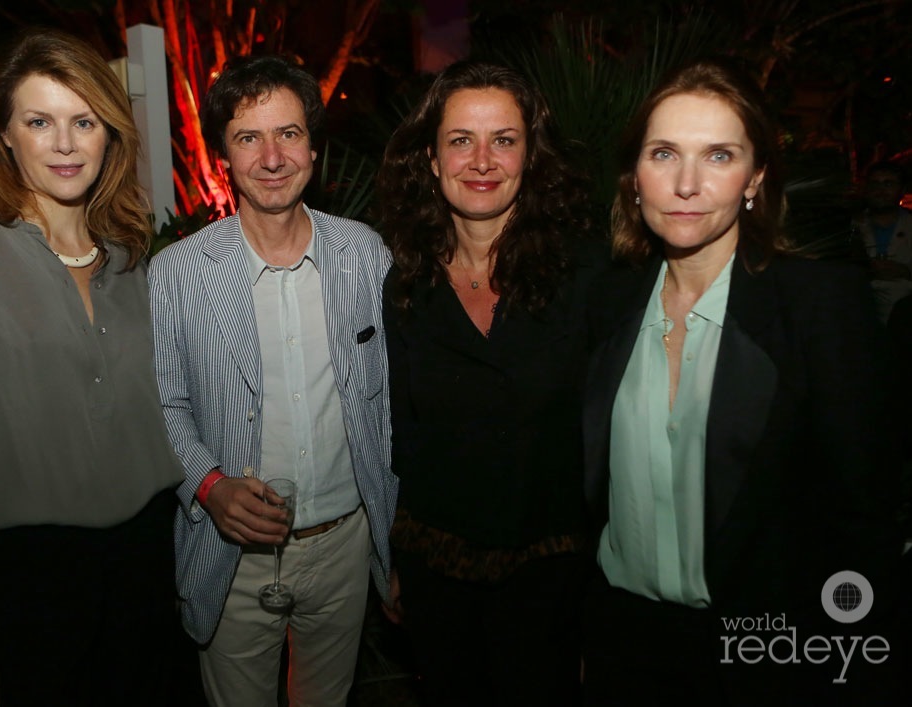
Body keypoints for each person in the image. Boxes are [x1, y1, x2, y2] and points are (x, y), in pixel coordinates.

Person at [582, 58, 902, 705]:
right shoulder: (604, 299)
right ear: (633, 177)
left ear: (755, 179)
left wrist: (843, 659)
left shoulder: (819, 305)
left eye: (720, 155)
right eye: (664, 152)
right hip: (623, 643)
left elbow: (861, 515)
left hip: (764, 649)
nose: (688, 183)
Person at [0, 28, 183, 706]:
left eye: (84, 121)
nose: (65, 142)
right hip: (24, 583)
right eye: (39, 121)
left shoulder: (131, 256)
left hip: (147, 568)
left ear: (110, 133)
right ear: (4, 137)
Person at [149, 55, 397, 707]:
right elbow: (162, 404)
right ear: (225, 153)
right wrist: (209, 485)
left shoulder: (365, 255)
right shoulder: (179, 273)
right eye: (248, 136)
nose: (271, 155)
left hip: (345, 543)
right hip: (234, 554)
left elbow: (394, 404)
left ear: (314, 146)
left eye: (288, 133)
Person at [375, 61, 592, 706]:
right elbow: (404, 435)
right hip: (437, 574)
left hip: (552, 578)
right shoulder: (405, 281)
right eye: (460, 140)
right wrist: (398, 565)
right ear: (432, 160)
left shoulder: (586, 272)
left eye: (504, 138)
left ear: (531, 155)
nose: (482, 159)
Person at [852, 161, 912, 322]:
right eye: (875, 184)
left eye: (888, 184)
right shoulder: (851, 227)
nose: (880, 191)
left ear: (902, 190)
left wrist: (905, 272)